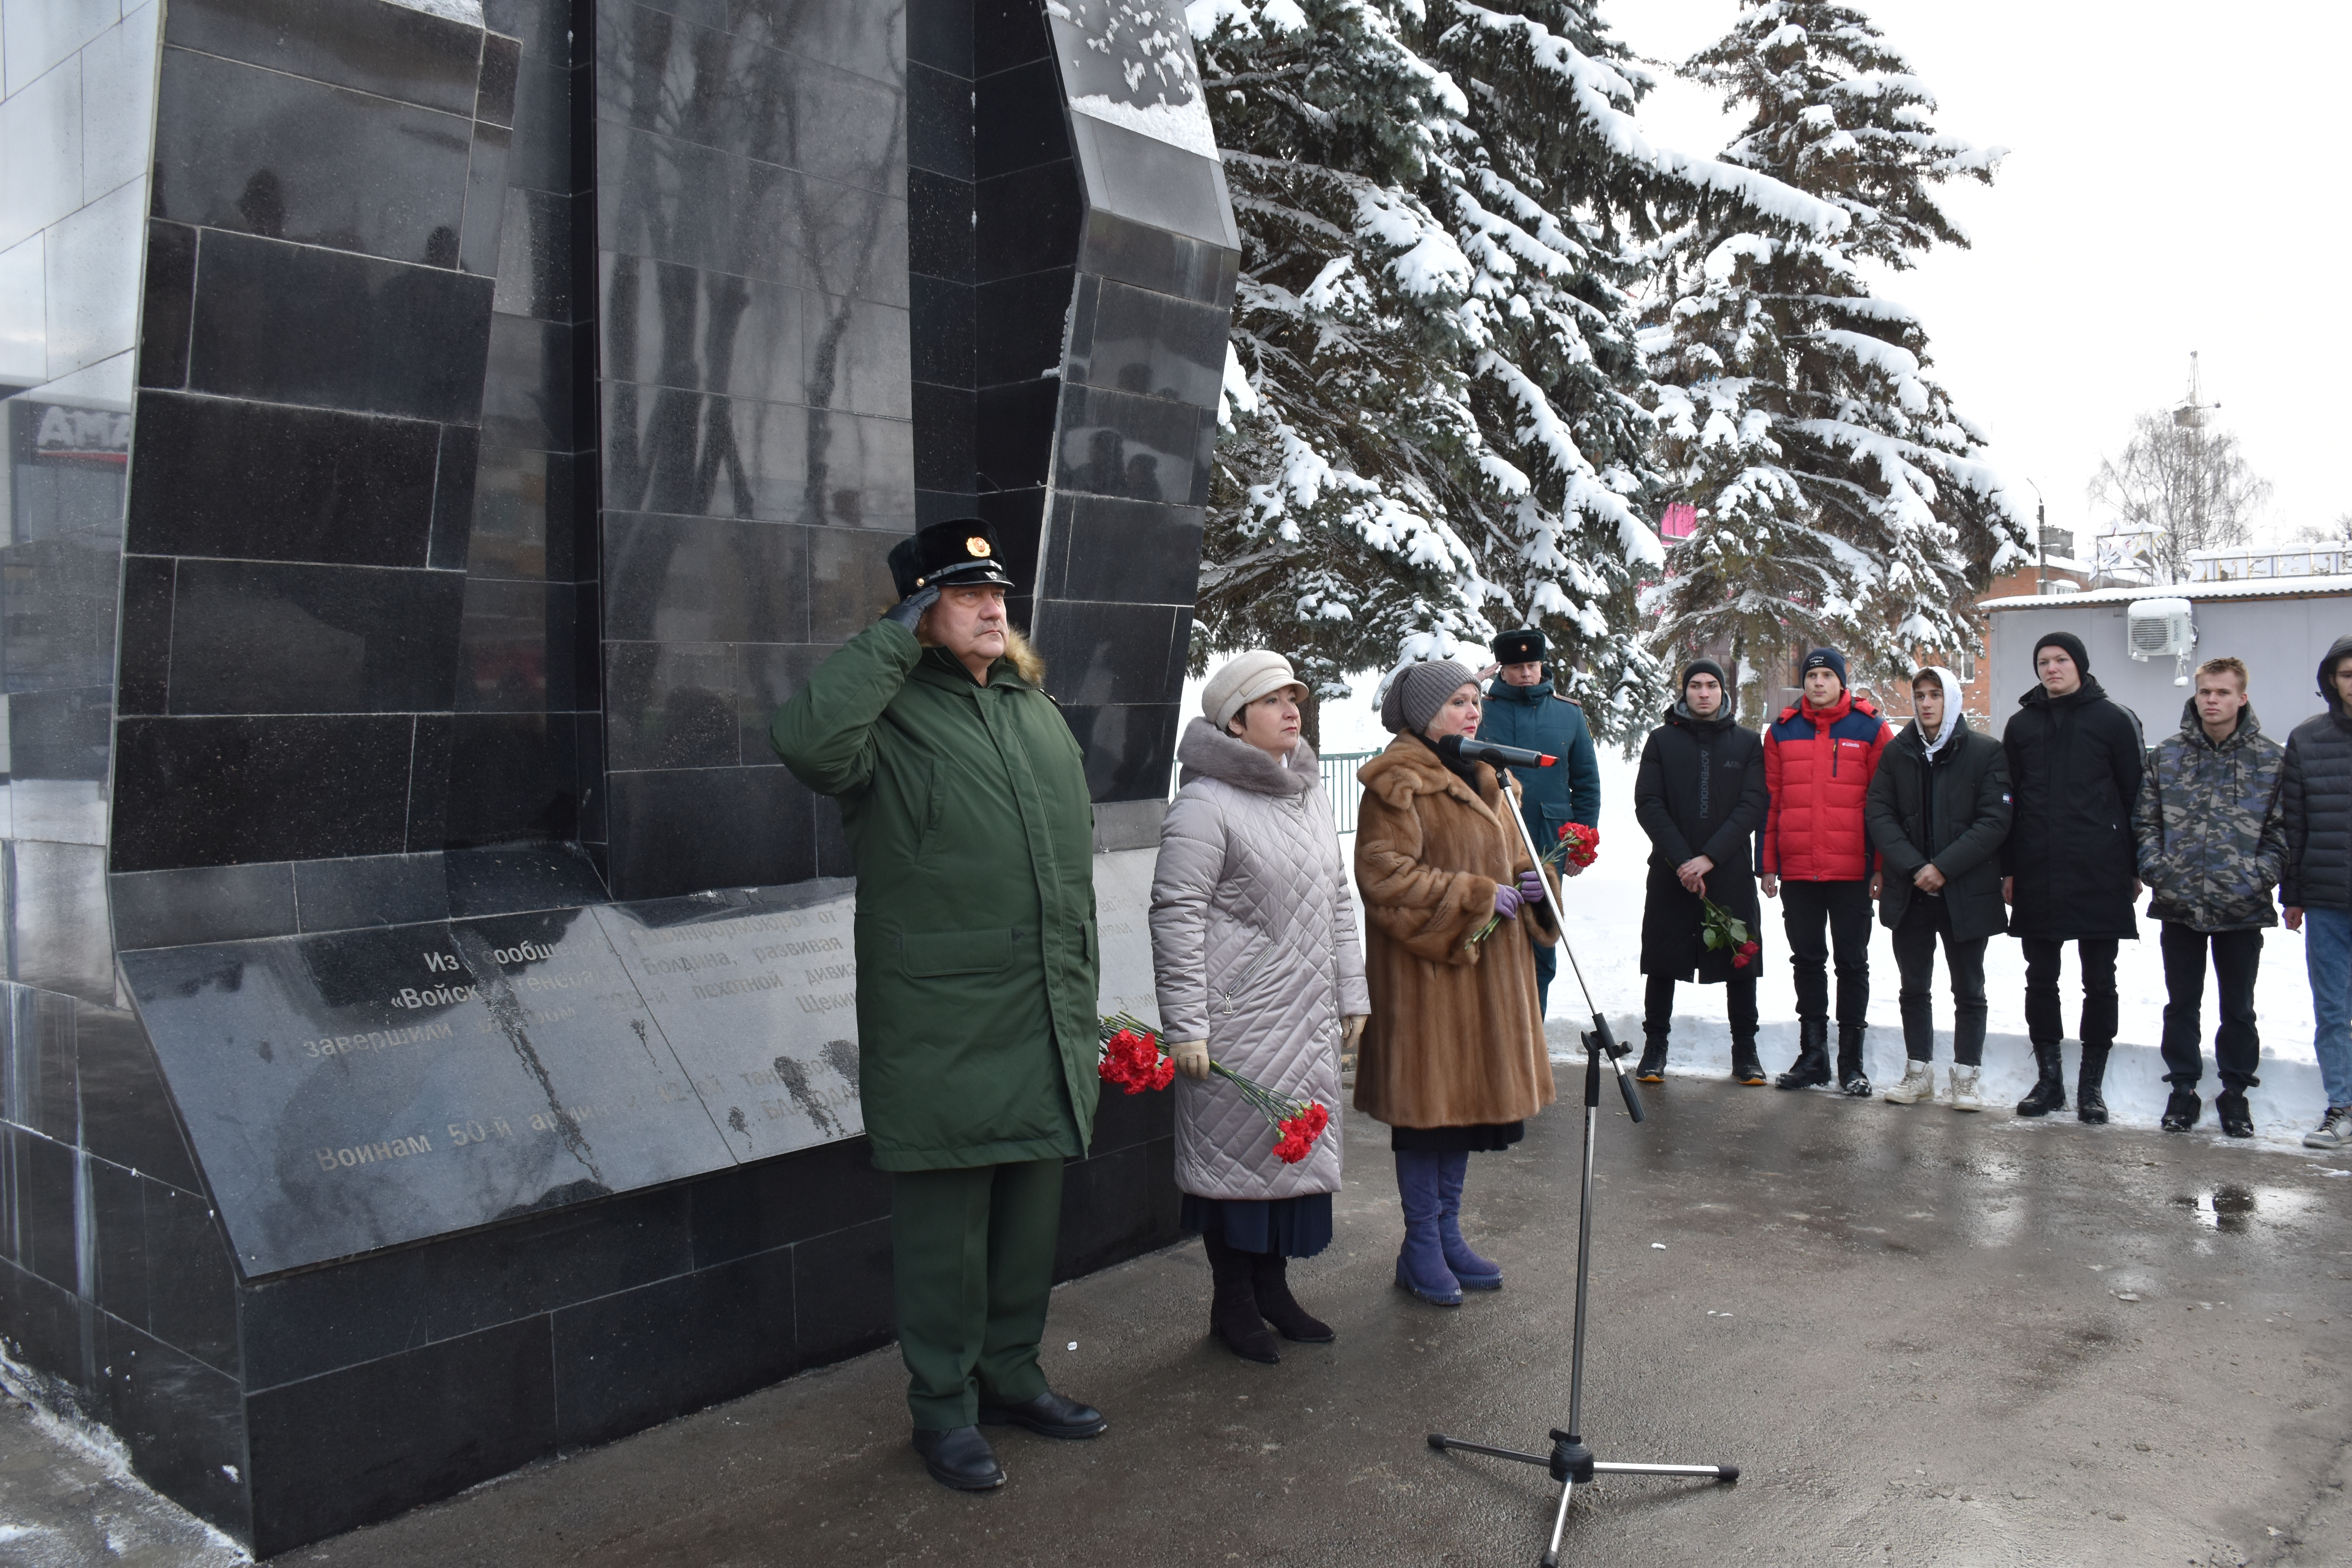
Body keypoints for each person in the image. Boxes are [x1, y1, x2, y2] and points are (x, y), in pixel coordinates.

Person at [771, 519, 1104, 1492]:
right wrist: (890, 644)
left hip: (1041, 1006)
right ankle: (943, 1408)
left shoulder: (1031, 707)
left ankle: (1012, 1373)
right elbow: (803, 741)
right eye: (964, 594)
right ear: (919, 610)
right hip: (943, 1019)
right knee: (945, 1232)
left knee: (1026, 1221)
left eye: (996, 591)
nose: (993, 606)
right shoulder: (887, 714)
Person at [1150, 651, 1370, 1365]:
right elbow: (1176, 913)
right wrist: (1187, 1026)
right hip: (1236, 1017)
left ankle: (1274, 1293)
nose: (1291, 709)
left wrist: (1351, 990)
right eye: (1272, 700)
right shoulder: (1206, 803)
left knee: (1289, 1155)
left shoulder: (1305, 793)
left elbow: (1336, 898)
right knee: (1236, 1164)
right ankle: (1233, 1303)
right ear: (1235, 722)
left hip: (1303, 1016)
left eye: (1294, 696)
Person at [1355, 660, 1557, 1307]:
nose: (1473, 713)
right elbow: (1383, 879)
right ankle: (1419, 1245)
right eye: (1457, 703)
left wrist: (1538, 888)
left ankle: (1448, 1232)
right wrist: (1472, 896)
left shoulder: (1495, 782)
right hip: (1425, 985)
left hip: (1489, 981)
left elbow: (1521, 860)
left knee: (1461, 1112)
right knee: (1426, 1115)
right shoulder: (1398, 785)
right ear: (1422, 714)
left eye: (1476, 702)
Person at [2133, 656, 2285, 1140]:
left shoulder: (2270, 759)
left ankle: (2235, 1091)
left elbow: (2283, 832)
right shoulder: (2169, 756)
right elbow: (2146, 822)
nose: (2213, 700)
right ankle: (2183, 1088)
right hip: (2180, 904)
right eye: (2206, 693)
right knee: (2182, 1003)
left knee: (2238, 1006)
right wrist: (2159, 869)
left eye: (2223, 692)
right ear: (2196, 696)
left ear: (2242, 697)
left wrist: (2257, 876)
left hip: (2242, 907)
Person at [2000, 630, 2144, 1123]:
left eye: (2061, 660)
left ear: (2080, 665)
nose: (2052, 668)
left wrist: (2134, 867)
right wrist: (2010, 869)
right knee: (2040, 979)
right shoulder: (2021, 726)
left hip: (2099, 868)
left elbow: (2134, 797)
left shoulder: (2114, 720)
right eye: (2043, 661)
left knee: (2099, 981)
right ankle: (2050, 1081)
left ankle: (2091, 1088)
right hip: (2038, 869)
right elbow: (2010, 803)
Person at [1864, 667, 2012, 1111]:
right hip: (1910, 891)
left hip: (1965, 892)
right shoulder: (1898, 753)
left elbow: (1995, 820)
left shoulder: (1986, 752)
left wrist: (1944, 867)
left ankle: (1966, 1075)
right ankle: (1918, 1070)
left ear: (1951, 699)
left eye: (1936, 695)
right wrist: (1915, 867)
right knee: (1914, 986)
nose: (1927, 704)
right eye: (1920, 695)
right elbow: (1879, 813)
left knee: (1969, 987)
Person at [1760, 648, 1891, 1094]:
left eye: (1826, 675)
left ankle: (1852, 1062)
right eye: (1811, 675)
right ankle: (1813, 1055)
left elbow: (1884, 803)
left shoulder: (1871, 728)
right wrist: (1768, 866)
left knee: (1852, 963)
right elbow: (1771, 802)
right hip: (1799, 871)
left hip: (1852, 871)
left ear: (1841, 680)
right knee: (1808, 961)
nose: (1818, 683)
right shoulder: (1781, 731)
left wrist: (1880, 866)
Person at [1634, 659, 1770, 1084]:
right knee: (1663, 957)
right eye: (1696, 685)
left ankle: (1745, 1051)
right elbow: (1649, 803)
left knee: (1739, 958)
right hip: (1671, 872)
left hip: (1728, 869)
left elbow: (1752, 805)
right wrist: (1683, 860)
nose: (1704, 693)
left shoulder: (1748, 743)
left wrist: (1709, 857)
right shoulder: (1661, 741)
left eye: (1712, 685)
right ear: (1685, 691)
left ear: (1723, 692)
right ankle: (1655, 1048)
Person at [1477, 627, 1601, 1017]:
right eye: (1516, 666)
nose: (1526, 673)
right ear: (1503, 669)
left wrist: (1582, 841)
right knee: (1491, 932)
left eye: (1532, 665)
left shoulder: (1568, 714)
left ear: (1542, 664)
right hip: (1491, 837)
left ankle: (1533, 1030)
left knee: (1542, 935)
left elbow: (1585, 781)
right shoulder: (1479, 709)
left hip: (1548, 842)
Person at [2279, 634, 2352, 1149]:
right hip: (2329, 900)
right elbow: (2295, 825)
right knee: (2333, 1011)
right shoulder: (2307, 740)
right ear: (2332, 681)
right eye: (2347, 674)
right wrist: (2294, 895)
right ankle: (2341, 1108)